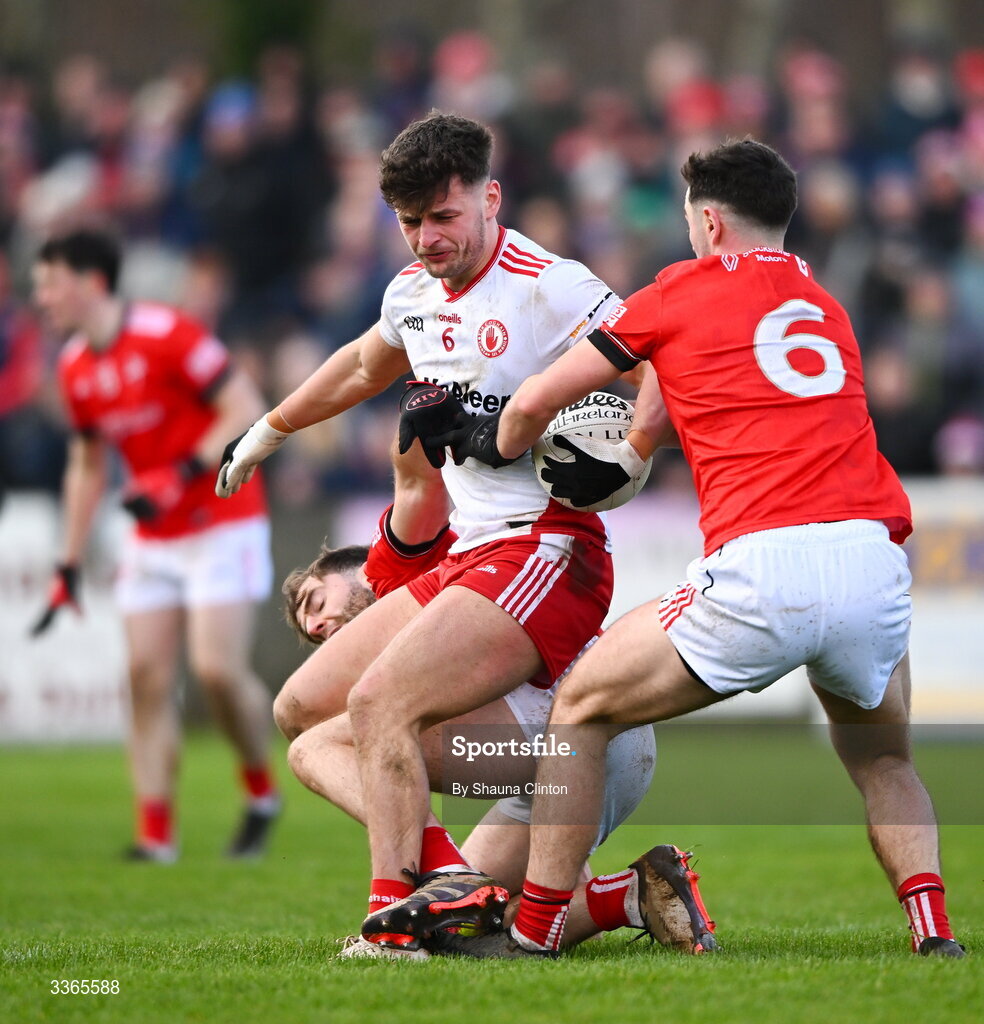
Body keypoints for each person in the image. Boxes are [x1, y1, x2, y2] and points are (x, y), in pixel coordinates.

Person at [430, 139, 965, 959]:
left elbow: (538, 399)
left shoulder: (677, 292)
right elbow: (691, 413)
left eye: (689, 221)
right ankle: (934, 931)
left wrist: (486, 436)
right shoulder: (828, 308)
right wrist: (642, 445)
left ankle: (535, 928)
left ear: (709, 221)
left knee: (582, 707)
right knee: (886, 759)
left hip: (764, 566)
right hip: (871, 555)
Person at [214, 111, 660, 951]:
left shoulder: (549, 284)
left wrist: (632, 451)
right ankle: (452, 879)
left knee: (380, 701)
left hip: (544, 550)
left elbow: (658, 365)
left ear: (490, 198)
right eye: (410, 223)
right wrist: (269, 429)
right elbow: (357, 365)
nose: (426, 239)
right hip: (470, 559)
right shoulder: (411, 296)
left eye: (443, 218)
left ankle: (391, 925)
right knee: (302, 712)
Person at [279, 440, 714, 959]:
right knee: (457, 931)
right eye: (311, 633)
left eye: (317, 600)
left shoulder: (401, 558)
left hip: (565, 717)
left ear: (354, 566)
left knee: (311, 746)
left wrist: (280, 426)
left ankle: (447, 873)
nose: (318, 625)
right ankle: (629, 895)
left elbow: (416, 476)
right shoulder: (389, 659)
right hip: (586, 748)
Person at [31, 228, 280, 862]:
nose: (42, 297)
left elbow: (245, 407)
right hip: (152, 537)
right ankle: (156, 836)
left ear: (90, 282)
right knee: (143, 677)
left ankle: (260, 790)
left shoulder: (168, 334)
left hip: (223, 520)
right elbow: (87, 465)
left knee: (216, 671)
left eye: (50, 282)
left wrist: (179, 473)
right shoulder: (74, 366)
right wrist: (67, 560)